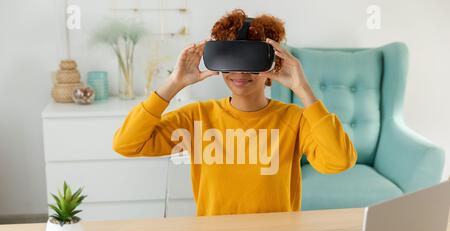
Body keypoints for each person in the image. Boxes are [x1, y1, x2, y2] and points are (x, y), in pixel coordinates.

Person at [113, 9, 357, 216]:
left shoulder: (295, 120)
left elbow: (339, 161)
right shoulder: (196, 117)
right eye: (232, 58)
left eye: (251, 60)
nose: (240, 72)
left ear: (272, 64)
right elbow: (127, 144)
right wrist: (175, 83)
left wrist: (303, 89)